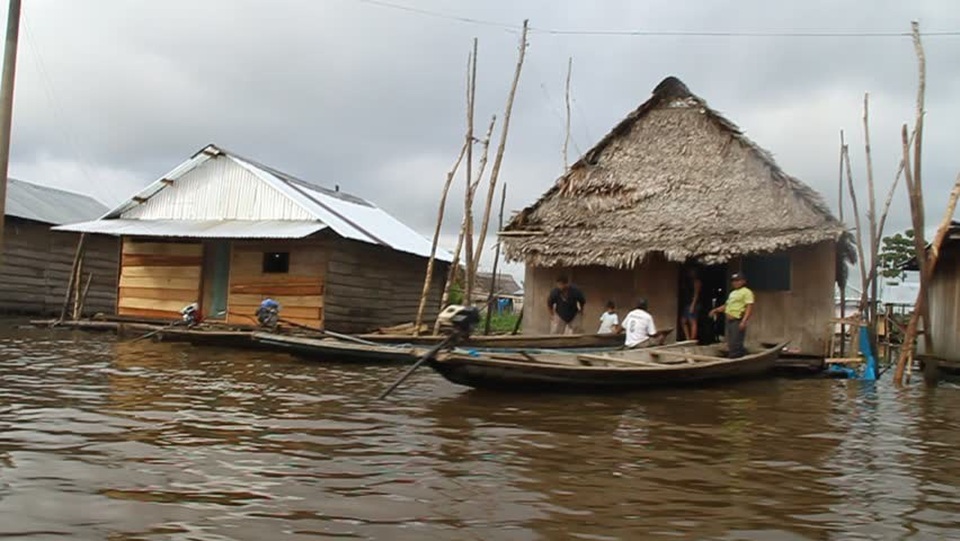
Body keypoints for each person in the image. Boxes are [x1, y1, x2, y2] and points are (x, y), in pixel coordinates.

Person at [709, 273, 755, 358]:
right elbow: (726, 305)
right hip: (730, 320)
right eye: (733, 281)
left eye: (737, 281)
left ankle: (736, 359)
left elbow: (749, 308)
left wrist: (744, 321)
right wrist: (715, 310)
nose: (735, 283)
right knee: (731, 342)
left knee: (736, 342)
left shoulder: (747, 292)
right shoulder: (733, 293)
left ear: (743, 281)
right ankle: (738, 356)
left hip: (738, 320)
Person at [680, 267, 703, 341]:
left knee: (692, 321)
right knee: (683, 321)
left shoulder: (697, 282)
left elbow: (696, 294)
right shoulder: (688, 282)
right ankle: (688, 338)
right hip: (687, 303)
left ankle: (692, 339)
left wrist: (693, 305)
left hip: (693, 304)